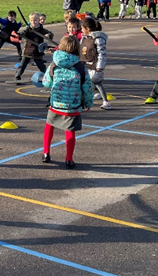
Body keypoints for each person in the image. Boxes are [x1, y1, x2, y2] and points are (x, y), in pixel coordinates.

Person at [41, 35, 94, 168]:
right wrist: (88, 103)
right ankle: (69, 159)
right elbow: (87, 87)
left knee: (49, 126)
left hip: (56, 103)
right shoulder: (80, 67)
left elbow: (46, 83)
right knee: (69, 131)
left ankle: (46, 153)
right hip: (72, 105)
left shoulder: (54, 64)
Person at [80, 16, 111, 109]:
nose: (81, 30)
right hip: (86, 64)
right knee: (86, 83)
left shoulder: (98, 39)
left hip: (95, 65)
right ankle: (85, 100)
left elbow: (102, 53)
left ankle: (106, 102)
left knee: (97, 82)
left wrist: (100, 66)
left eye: (82, 28)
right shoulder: (84, 38)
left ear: (87, 29)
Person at [14, 12, 52, 83]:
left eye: (35, 20)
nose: (33, 22)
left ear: (38, 20)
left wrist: (48, 35)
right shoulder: (28, 29)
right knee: (22, 65)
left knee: (41, 66)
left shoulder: (41, 29)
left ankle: (49, 77)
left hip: (37, 51)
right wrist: (21, 34)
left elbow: (50, 33)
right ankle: (17, 76)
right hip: (28, 50)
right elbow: (23, 33)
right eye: (31, 20)